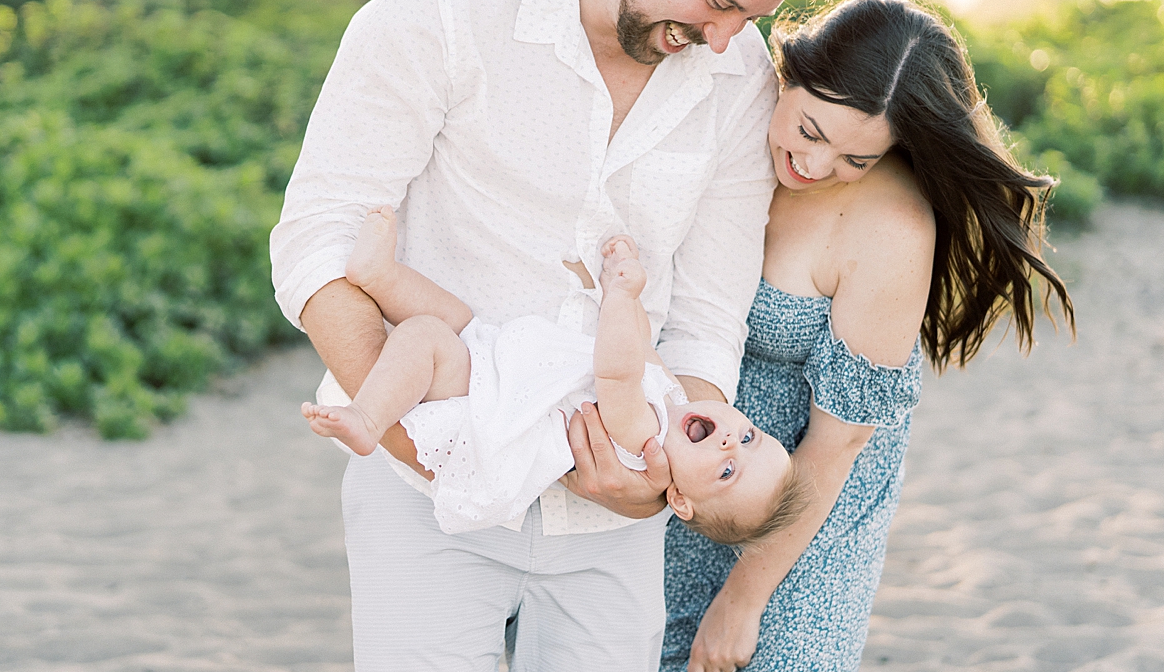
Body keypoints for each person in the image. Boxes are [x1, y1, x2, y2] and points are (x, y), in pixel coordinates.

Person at [269, 0, 840, 672]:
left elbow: (703, 320)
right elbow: (319, 239)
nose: (729, 38)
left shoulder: (736, 78)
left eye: (753, 19)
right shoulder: (451, 3)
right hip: (425, 493)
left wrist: (650, 481)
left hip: (611, 530)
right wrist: (435, 444)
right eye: (719, 0)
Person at [566, 0, 1075, 672]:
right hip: (699, 462)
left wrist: (744, 596)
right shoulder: (728, 124)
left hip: (812, 503)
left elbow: (836, 448)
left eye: (856, 158)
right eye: (810, 130)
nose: (816, 164)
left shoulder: (892, 227)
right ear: (789, 70)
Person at [301, 215, 807, 542]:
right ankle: (378, 276)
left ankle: (366, 417)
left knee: (428, 335)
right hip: (509, 364)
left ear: (679, 501)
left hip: (492, 400)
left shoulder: (643, 442)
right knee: (455, 316)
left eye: (726, 472)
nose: (728, 446)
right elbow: (644, 348)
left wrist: (621, 298)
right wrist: (616, 283)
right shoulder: (671, 402)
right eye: (748, 437)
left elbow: (618, 372)